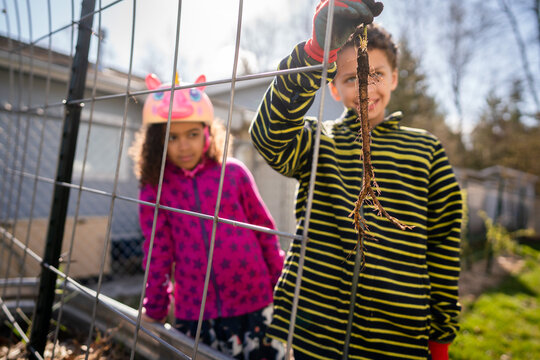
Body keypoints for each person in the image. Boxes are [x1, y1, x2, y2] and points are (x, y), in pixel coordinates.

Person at [249, 1, 463, 359]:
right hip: (313, 332)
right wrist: (315, 54)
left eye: (376, 74)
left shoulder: (426, 150)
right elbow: (269, 137)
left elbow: (443, 245)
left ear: (394, 78)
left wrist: (440, 337)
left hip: (395, 338)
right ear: (333, 88)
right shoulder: (319, 141)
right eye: (351, 78)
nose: (366, 86)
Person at [130, 73, 286, 360]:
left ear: (207, 132)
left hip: (254, 298)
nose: (184, 145)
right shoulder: (155, 190)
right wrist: (155, 306)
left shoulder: (235, 173)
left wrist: (282, 282)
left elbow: (264, 230)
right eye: (172, 137)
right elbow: (158, 251)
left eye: (192, 134)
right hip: (197, 310)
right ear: (156, 142)